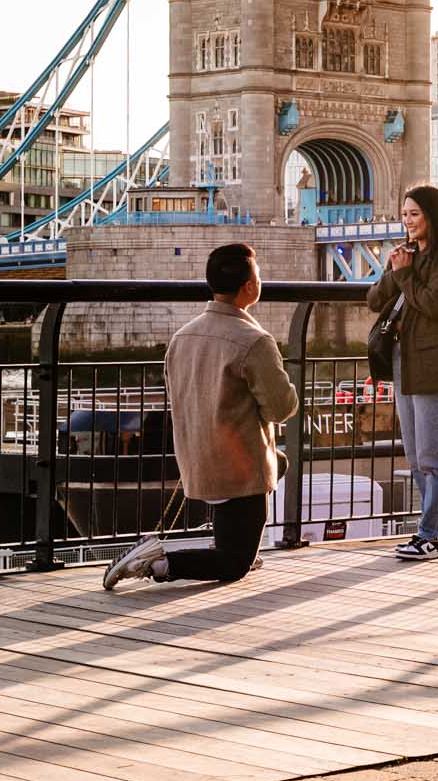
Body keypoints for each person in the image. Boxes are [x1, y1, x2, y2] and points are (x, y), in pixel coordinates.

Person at [103, 242, 300, 590]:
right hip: (239, 472)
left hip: (196, 461)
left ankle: (237, 546)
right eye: (258, 275)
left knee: (278, 463)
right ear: (249, 287)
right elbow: (281, 408)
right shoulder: (254, 341)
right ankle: (160, 564)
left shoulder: (182, 337)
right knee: (234, 563)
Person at [367, 183, 438, 561]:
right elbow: (374, 300)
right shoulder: (407, 255)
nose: (408, 221)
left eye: (415, 214)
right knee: (414, 456)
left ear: (433, 216)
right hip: (403, 361)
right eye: (405, 214)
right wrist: (394, 270)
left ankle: (429, 535)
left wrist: (406, 275)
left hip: (436, 362)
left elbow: (430, 304)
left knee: (433, 456)